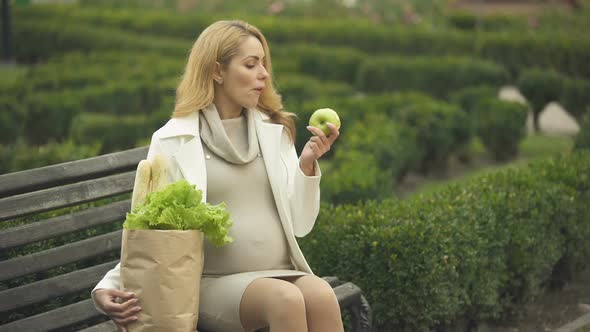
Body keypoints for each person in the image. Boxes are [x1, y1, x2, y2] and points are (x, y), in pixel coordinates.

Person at [91, 20, 343, 332]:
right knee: (286, 300)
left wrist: (306, 164)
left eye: (263, 64)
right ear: (217, 71)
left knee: (321, 294)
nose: (264, 74)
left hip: (278, 271)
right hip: (210, 283)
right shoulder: (173, 140)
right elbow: (150, 227)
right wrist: (106, 286)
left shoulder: (275, 131)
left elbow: (301, 225)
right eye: (250, 64)